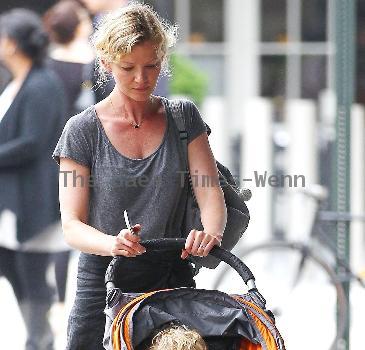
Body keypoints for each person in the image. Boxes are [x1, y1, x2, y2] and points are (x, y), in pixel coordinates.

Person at [53, 3, 226, 349]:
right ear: (105, 63)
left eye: (151, 66)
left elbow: (209, 192)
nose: (141, 78)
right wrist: (112, 244)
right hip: (102, 288)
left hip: (170, 283)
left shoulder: (183, 118)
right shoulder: (82, 131)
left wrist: (210, 233)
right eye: (127, 67)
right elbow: (71, 224)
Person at [0, 8, 67, 350]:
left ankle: (38, 340)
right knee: (13, 267)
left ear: (11, 44)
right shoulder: (18, 82)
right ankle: (37, 334)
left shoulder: (42, 84)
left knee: (31, 273)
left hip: (36, 199)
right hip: (15, 198)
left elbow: (32, 142)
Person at [43, 0, 95, 310]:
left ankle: (59, 300)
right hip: (85, 152)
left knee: (63, 224)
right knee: (83, 221)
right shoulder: (91, 64)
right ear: (77, 26)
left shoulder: (45, 65)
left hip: (54, 153)